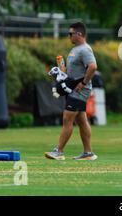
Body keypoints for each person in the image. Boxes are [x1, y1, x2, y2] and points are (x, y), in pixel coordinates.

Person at [45, 22, 98, 161]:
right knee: (81, 120)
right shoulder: (75, 49)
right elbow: (74, 70)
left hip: (80, 89)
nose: (69, 36)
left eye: (70, 34)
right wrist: (60, 74)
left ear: (79, 34)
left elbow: (92, 67)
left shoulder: (85, 49)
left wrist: (83, 83)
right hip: (73, 87)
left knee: (67, 118)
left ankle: (59, 151)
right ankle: (88, 153)